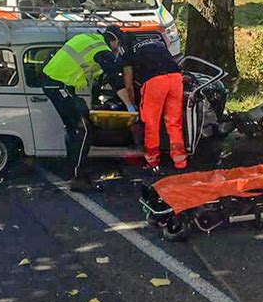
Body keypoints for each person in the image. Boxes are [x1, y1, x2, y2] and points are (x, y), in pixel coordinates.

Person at [42, 27, 135, 192]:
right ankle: (78, 178)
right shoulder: (101, 49)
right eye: (117, 45)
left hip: (54, 83)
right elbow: (115, 80)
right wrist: (129, 105)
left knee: (74, 128)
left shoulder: (88, 38)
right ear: (114, 41)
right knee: (83, 129)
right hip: (59, 86)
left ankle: (73, 169)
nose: (116, 49)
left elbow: (96, 70)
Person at [121, 36, 187, 171]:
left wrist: (131, 104)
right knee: (174, 122)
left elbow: (128, 85)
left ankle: (153, 162)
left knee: (151, 124)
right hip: (175, 78)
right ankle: (180, 161)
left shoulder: (128, 52)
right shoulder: (157, 42)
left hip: (154, 81)